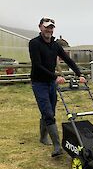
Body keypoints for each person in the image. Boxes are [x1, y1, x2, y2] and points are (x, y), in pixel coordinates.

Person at [29, 17, 86, 157]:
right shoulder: (34, 43)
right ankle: (57, 146)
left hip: (50, 83)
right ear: (40, 27)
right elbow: (37, 65)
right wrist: (55, 77)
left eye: (51, 27)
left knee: (50, 112)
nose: (49, 29)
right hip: (39, 83)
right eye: (46, 27)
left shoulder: (55, 45)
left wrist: (79, 74)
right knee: (48, 112)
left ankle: (43, 137)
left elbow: (68, 59)